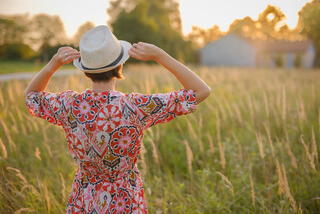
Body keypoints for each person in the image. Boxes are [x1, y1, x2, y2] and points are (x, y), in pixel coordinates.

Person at [25, 25, 211, 213]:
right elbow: (201, 91)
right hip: (126, 199)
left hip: (84, 199)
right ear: (119, 65)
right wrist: (160, 55)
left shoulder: (69, 105)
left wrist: (53, 63)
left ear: (85, 69)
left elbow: (31, 96)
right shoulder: (135, 106)